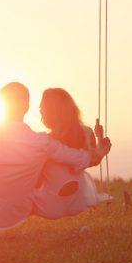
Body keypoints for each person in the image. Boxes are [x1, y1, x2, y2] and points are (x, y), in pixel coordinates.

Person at [0, 82, 111, 230]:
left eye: (42, 107)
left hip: (0, 213)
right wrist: (99, 150)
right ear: (26, 107)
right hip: (37, 209)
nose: (39, 110)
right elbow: (82, 159)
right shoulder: (43, 142)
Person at [33, 88, 113, 219]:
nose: (40, 111)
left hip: (51, 204)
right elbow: (93, 160)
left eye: (42, 109)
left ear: (53, 111)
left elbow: (37, 178)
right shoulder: (86, 133)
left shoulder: (46, 143)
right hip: (79, 200)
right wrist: (99, 138)